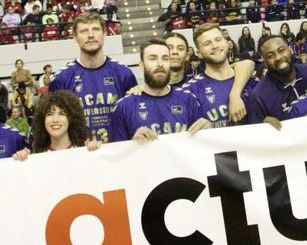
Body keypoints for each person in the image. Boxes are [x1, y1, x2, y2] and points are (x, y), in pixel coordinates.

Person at [50, 12, 137, 140]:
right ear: (75, 37)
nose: (90, 35)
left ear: (105, 33)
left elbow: (134, 119)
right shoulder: (61, 79)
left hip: (119, 155)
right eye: (84, 31)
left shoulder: (124, 74)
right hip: (80, 155)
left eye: (95, 29)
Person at [107, 39, 210, 142]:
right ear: (141, 65)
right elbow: (118, 153)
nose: (160, 64)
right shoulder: (124, 107)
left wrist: (207, 129)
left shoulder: (188, 99)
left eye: (165, 58)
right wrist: (133, 143)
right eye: (153, 58)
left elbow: (201, 146)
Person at [180, 23, 253, 127]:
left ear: (227, 43)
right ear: (199, 53)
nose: (215, 46)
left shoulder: (250, 79)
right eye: (207, 43)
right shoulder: (190, 90)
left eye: (218, 40)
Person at [241, 32, 307, 126]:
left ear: (290, 50)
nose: (278, 57)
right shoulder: (258, 97)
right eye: (270, 56)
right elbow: (256, 134)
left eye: (281, 50)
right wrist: (264, 127)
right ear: (264, 62)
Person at [27, 90, 101, 155]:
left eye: (61, 114)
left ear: (71, 119)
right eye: (50, 114)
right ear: (42, 120)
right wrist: (21, 160)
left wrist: (96, 152)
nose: (55, 120)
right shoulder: (38, 157)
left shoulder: (84, 149)